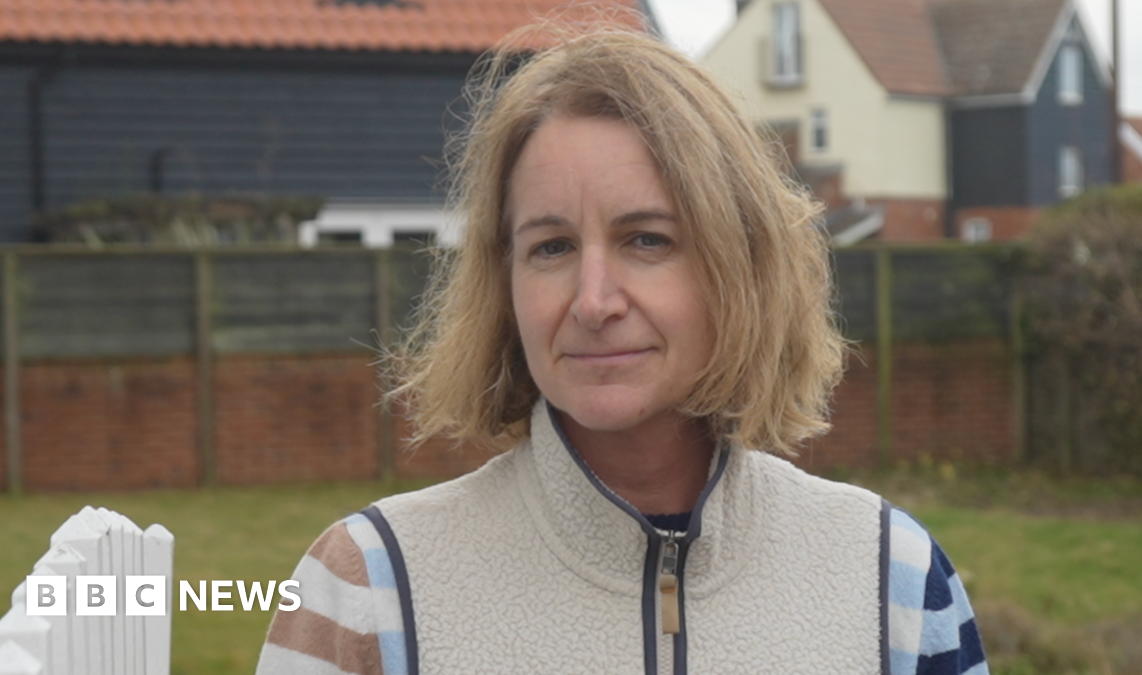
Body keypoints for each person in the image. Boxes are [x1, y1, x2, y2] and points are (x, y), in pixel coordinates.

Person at [257, 20, 988, 675]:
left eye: (647, 239)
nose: (593, 300)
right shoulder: (365, 590)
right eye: (551, 246)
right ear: (501, 280)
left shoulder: (895, 579)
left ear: (742, 268)